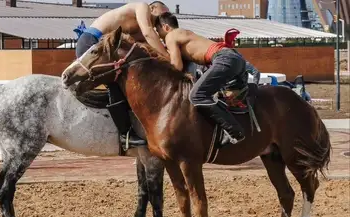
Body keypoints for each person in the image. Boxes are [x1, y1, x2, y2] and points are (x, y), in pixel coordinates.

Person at [74, 1, 170, 148]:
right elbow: (148, 33)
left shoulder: (138, 26)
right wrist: (168, 59)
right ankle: (125, 135)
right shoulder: (142, 7)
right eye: (163, 14)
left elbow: (147, 46)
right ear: (153, 8)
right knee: (116, 81)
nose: (164, 18)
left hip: (103, 45)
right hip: (94, 43)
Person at [155, 12, 254, 146]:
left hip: (223, 59)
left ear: (165, 27)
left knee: (197, 96)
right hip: (234, 58)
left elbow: (176, 66)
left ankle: (234, 131)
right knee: (222, 97)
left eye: (158, 30)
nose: (159, 36)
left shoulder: (171, 36)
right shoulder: (186, 33)